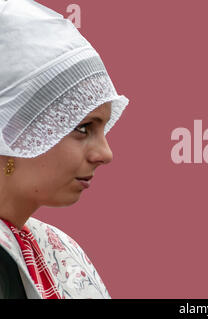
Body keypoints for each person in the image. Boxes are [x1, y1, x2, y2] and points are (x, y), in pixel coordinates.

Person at [0, 0, 129, 298]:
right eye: (83, 127)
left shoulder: (60, 252)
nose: (105, 154)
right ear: (12, 131)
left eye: (102, 128)